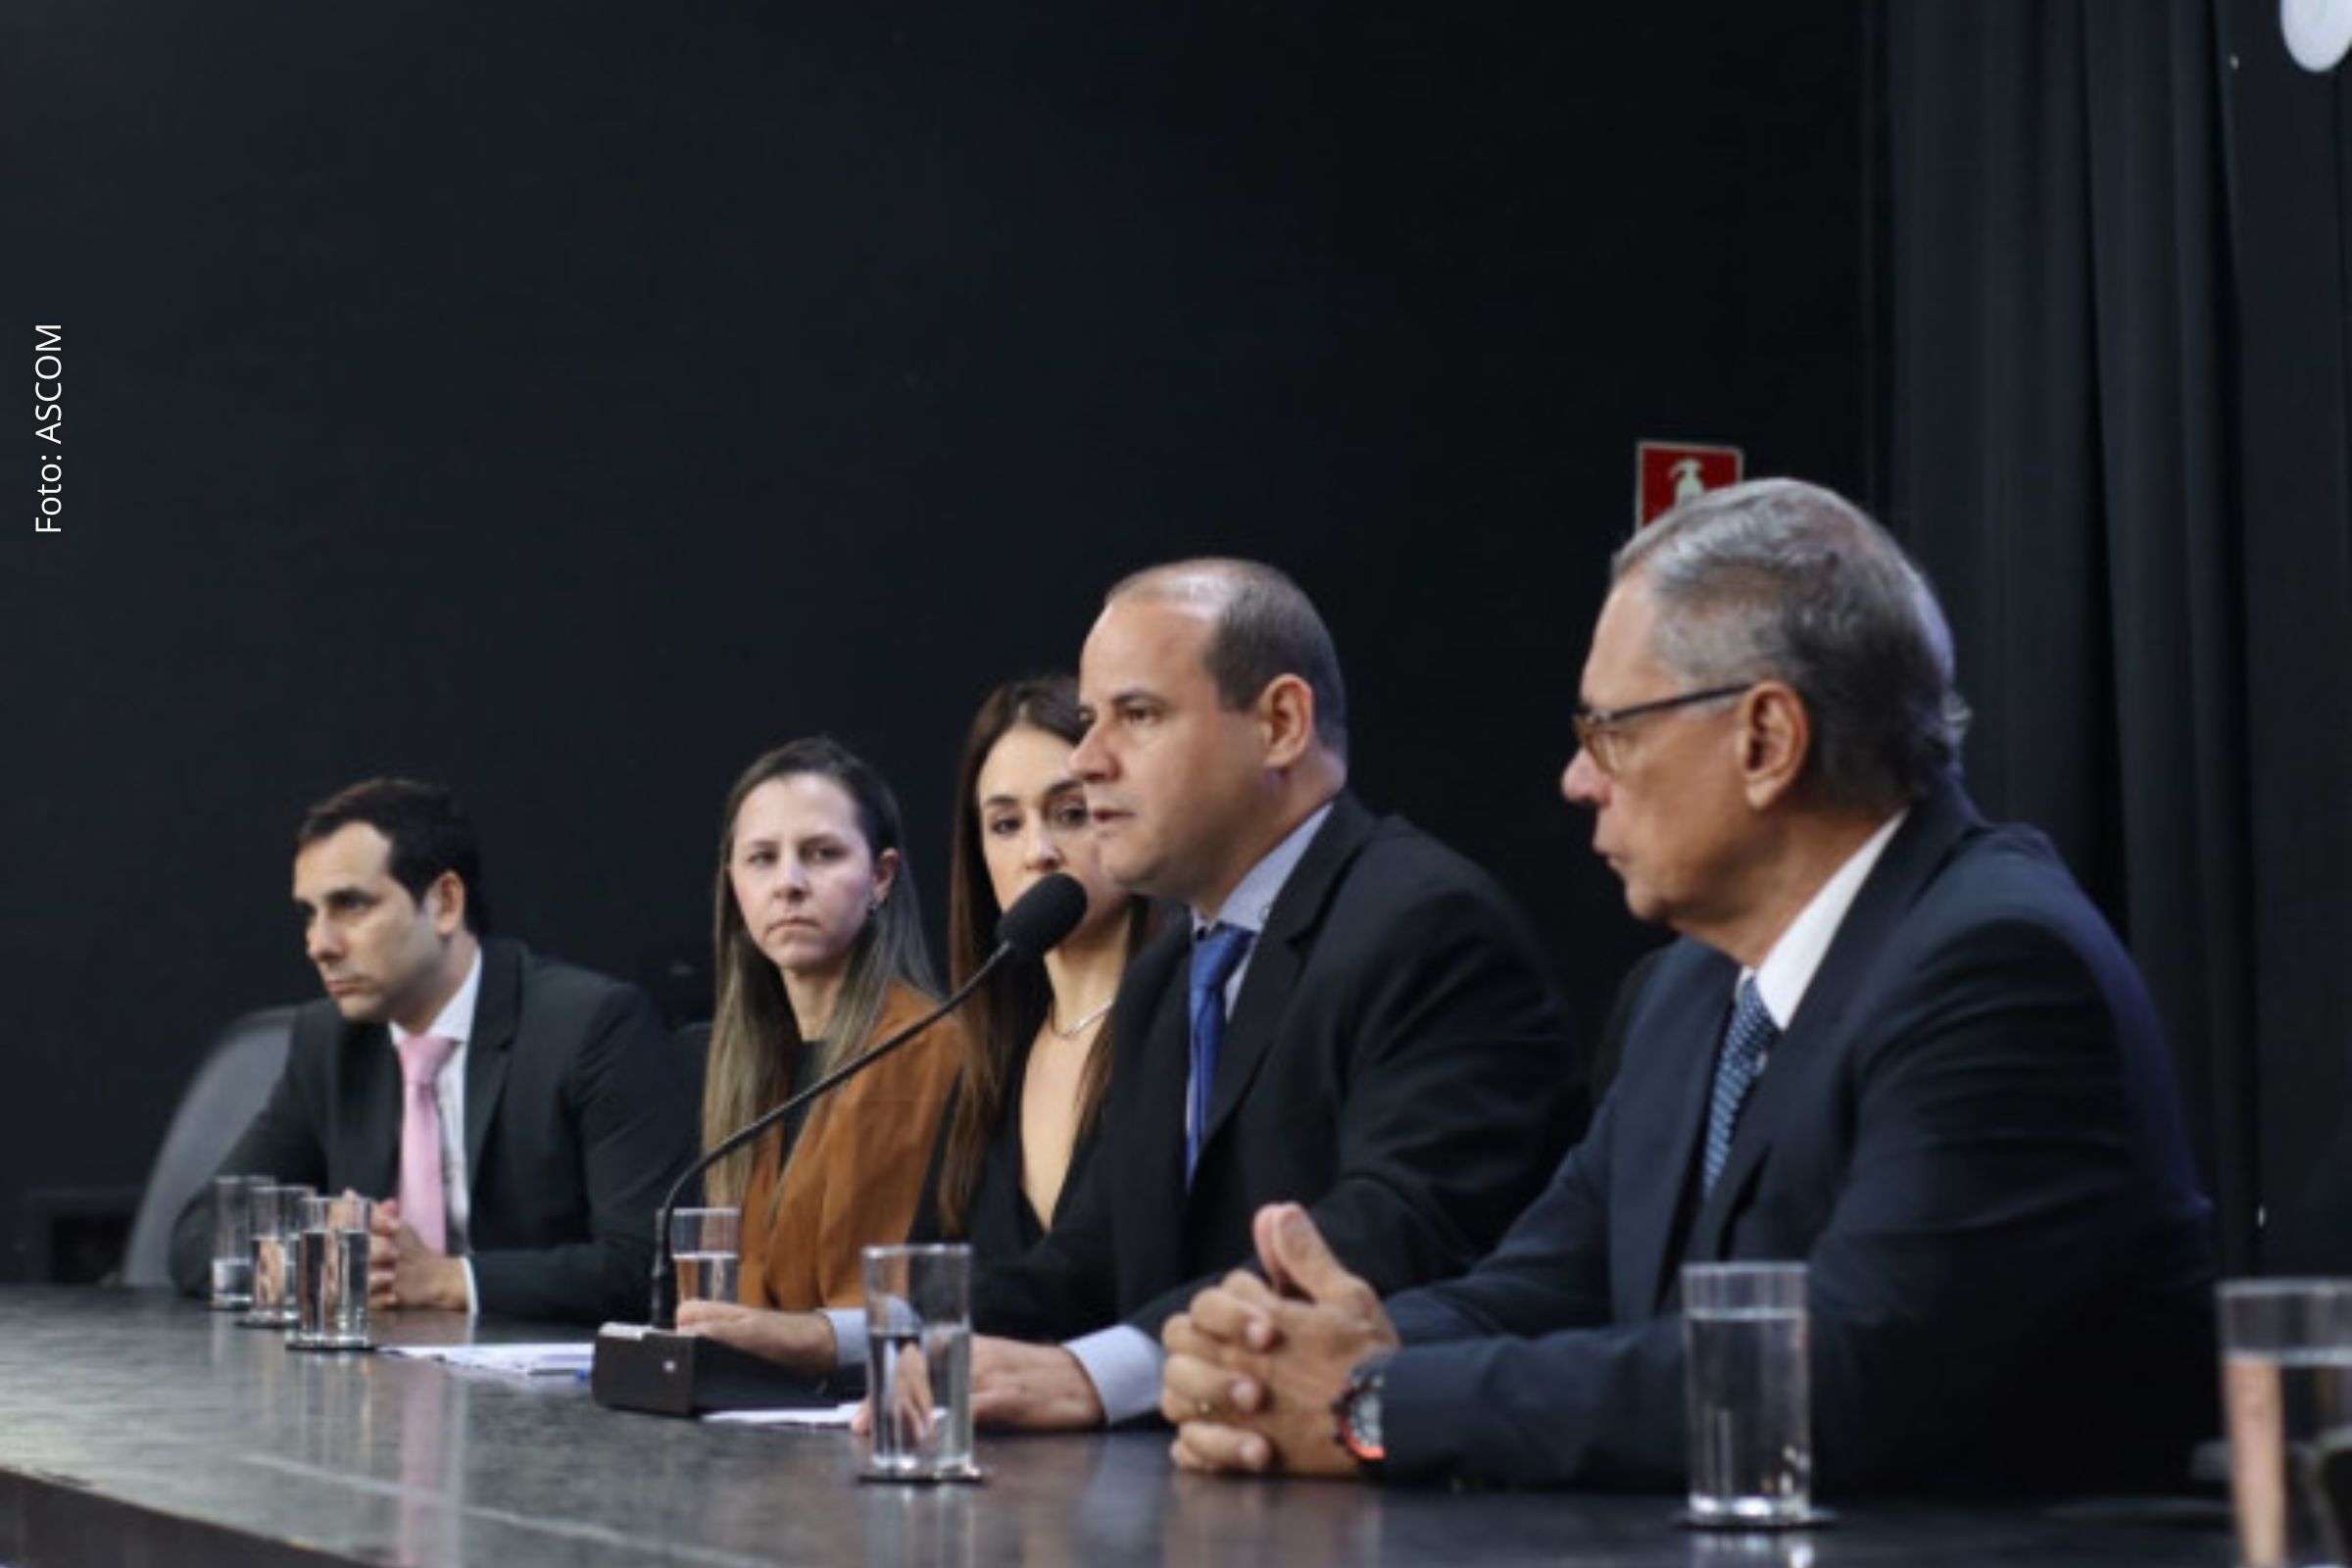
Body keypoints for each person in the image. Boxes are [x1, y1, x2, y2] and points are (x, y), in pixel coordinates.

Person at [1159, 480, 2217, 1492]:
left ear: (1765, 739)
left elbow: (1836, 1378)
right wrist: (1289, 1352)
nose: (1578, 780)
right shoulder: (1690, 987)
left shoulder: (1997, 969)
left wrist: (1375, 1401)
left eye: (1611, 731)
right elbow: (1550, 1281)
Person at [957, 559, 1586, 1432]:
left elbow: (1393, 1235)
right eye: (1092, 721)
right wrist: (855, 1339)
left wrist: (1103, 1372)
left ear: (1282, 724)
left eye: (1137, 716)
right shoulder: (1168, 974)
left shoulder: (1427, 925)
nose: (1090, 760)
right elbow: (1092, 1259)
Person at [679, 678, 1153, 1364]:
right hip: (972, 1426)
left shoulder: (946, 1049)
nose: (1038, 851)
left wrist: (821, 1338)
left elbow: (1086, 1278)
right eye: (1004, 824)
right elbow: (988, 1284)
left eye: (1070, 813)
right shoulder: (1004, 1047)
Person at [167, 778, 696, 1323]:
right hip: (375, 1388)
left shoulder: (591, 1026)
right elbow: (200, 1236)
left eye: (350, 905)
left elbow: (648, 1266)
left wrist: (446, 1280)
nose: (319, 944)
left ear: (444, 903)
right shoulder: (327, 1043)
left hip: (550, 1392)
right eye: (310, 913)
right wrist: (301, 1264)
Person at [693, 737, 964, 1311]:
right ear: (734, 884)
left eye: (821, 853)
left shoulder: (926, 1048)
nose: (788, 882)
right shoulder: (743, 1059)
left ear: (882, 877)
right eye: (762, 858)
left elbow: (888, 1302)